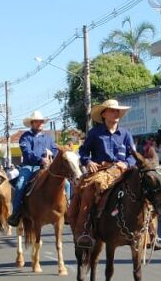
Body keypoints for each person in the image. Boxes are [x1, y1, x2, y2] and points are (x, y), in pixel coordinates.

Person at [70, 99, 138, 248]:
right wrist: (88, 162)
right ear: (104, 114)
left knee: (145, 188)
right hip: (100, 171)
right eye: (112, 110)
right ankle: (84, 231)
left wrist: (126, 163)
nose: (116, 113)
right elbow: (83, 151)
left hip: (122, 171)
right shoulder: (95, 133)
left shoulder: (126, 133)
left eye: (117, 110)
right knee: (87, 191)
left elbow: (133, 154)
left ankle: (150, 232)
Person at [7, 110, 61, 227]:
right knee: (20, 184)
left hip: (47, 167)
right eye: (37, 122)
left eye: (41, 122)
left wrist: (51, 153)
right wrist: (41, 159)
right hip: (29, 166)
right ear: (32, 123)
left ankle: (66, 209)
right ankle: (16, 212)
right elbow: (27, 153)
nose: (40, 124)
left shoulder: (48, 138)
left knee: (65, 183)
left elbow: (56, 150)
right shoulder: (25, 137)